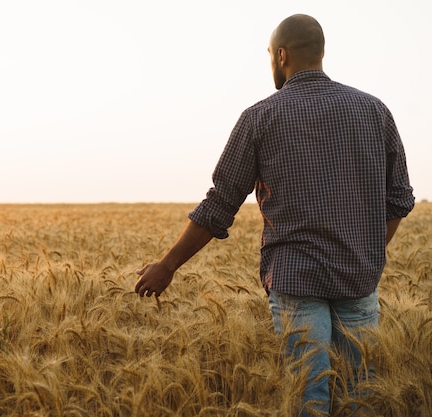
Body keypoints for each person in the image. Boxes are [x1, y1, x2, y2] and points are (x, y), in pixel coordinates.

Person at [134, 13, 415, 416]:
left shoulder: (259, 118)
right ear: (320, 53)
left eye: (269, 55)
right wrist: (365, 248)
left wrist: (168, 265)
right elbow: (400, 200)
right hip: (359, 278)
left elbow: (219, 204)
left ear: (281, 56)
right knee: (361, 399)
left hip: (296, 279)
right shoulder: (375, 111)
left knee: (309, 398)